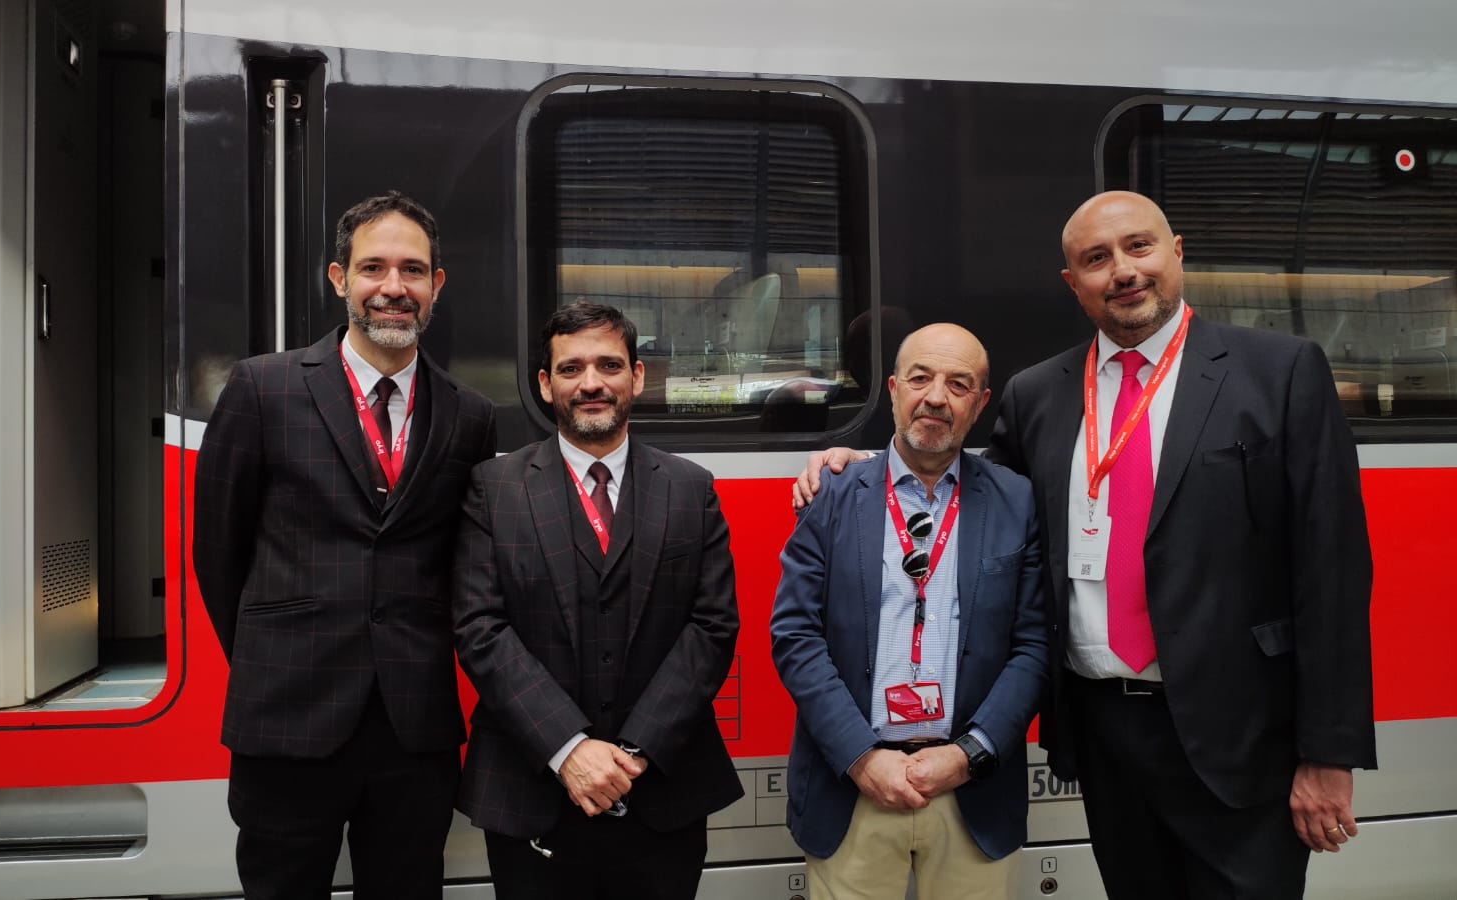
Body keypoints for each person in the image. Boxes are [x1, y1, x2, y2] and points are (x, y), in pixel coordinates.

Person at [793, 191, 1376, 899]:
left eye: (1139, 247)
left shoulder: (1278, 372)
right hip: (1104, 735)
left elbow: (1334, 570)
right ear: (1074, 283)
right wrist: (863, 465)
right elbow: (964, 492)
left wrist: (1329, 753)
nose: (1123, 271)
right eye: (1096, 259)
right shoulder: (1040, 393)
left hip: (1241, 737)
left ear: (1177, 252)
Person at [193, 191, 497, 899]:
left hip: (413, 728)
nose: (393, 288)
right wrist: (272, 661)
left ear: (436, 286)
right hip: (286, 717)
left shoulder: (470, 416)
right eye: (373, 268)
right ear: (339, 279)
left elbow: (464, 564)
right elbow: (219, 551)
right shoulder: (263, 389)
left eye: (413, 270)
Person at [452, 301, 743, 900]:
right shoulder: (494, 489)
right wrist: (570, 749)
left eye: (609, 365)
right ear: (544, 383)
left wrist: (632, 754)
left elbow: (712, 627)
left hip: (665, 792)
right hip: (531, 795)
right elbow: (481, 627)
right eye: (570, 368)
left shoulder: (691, 488)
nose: (591, 384)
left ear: (636, 376)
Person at [772, 324, 1047, 899]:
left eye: (958, 383)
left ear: (980, 403)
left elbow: (1034, 646)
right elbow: (796, 636)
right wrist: (862, 758)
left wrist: (969, 756)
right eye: (920, 378)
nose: (936, 397)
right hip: (853, 790)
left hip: (972, 794)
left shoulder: (1016, 500)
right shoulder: (832, 493)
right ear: (894, 389)